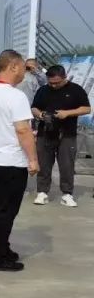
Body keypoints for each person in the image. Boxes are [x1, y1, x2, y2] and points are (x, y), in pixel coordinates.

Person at [0, 50, 39, 271]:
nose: (24, 72)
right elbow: (23, 130)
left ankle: (1, 248)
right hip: (10, 161)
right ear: (13, 67)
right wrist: (33, 159)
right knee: (5, 211)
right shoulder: (16, 96)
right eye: (23, 67)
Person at [31, 64, 91, 207]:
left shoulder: (76, 90)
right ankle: (42, 192)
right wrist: (41, 115)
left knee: (67, 165)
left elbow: (86, 109)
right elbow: (34, 107)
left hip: (67, 133)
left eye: (57, 82)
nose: (53, 85)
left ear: (64, 77)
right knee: (44, 164)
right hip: (45, 132)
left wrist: (67, 113)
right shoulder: (43, 90)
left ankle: (67, 193)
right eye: (51, 82)